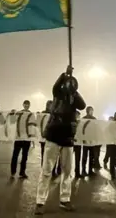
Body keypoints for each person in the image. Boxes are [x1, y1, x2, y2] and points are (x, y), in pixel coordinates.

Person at [35, 66, 86, 215]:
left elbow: (82, 105)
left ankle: (65, 199)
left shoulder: (74, 99)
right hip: (53, 136)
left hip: (68, 139)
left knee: (67, 171)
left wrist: (74, 91)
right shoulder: (57, 95)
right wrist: (65, 74)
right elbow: (56, 86)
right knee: (46, 171)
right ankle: (40, 201)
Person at [10, 100, 32, 179]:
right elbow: (12, 121)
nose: (26, 105)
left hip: (27, 139)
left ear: (29, 105)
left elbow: (34, 125)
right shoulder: (18, 113)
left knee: (24, 157)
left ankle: (22, 172)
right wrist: (12, 114)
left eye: (28, 104)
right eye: (25, 104)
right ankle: (13, 171)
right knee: (15, 155)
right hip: (18, 138)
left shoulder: (31, 114)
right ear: (23, 105)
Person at [81, 106, 96, 177]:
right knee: (84, 156)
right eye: (91, 110)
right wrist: (83, 138)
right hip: (86, 141)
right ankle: (83, 170)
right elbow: (82, 129)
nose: (92, 112)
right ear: (87, 111)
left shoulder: (94, 119)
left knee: (91, 156)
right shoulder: (84, 119)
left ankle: (90, 170)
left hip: (92, 141)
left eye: (92, 110)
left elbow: (96, 129)